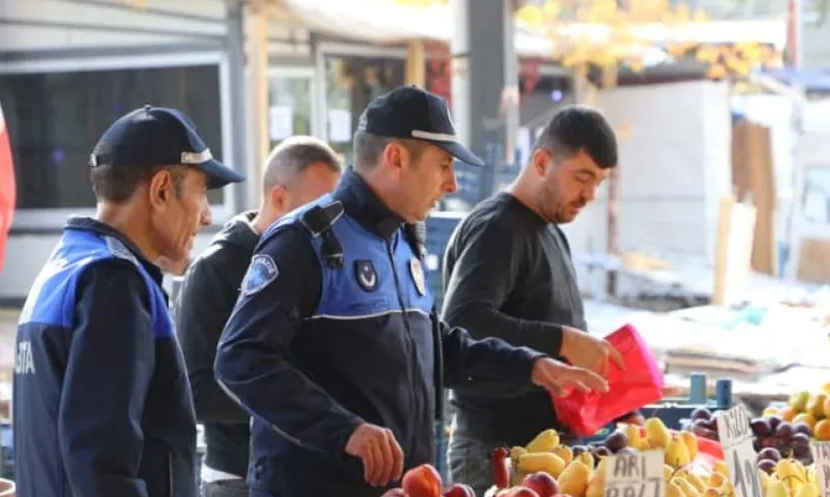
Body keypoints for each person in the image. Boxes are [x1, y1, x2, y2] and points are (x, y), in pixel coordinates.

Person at [214, 86, 610, 497]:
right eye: (443, 166)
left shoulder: (404, 240)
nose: (453, 184)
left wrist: (532, 366)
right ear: (396, 158)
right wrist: (343, 430)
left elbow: (439, 349)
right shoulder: (305, 240)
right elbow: (240, 357)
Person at [12, 105, 245, 497]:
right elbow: (101, 462)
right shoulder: (115, 285)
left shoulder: (64, 268)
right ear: (161, 190)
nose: (206, 216)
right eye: (202, 192)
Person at [441, 105, 629, 496]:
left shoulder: (551, 231)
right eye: (582, 177)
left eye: (599, 182)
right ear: (542, 162)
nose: (591, 194)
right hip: (496, 455)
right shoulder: (496, 229)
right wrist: (563, 340)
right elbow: (463, 322)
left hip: (553, 453)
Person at [175, 136, 343, 497]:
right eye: (318, 211)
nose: (329, 226)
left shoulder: (323, 261)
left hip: (313, 470)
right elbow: (197, 390)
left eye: (335, 212)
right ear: (280, 198)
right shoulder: (215, 270)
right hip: (239, 478)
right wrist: (297, 405)